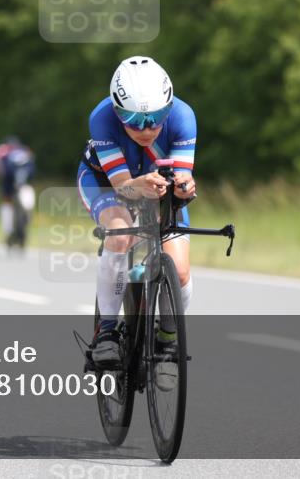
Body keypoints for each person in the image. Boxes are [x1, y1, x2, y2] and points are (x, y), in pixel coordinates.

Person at [77, 56, 197, 379]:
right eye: (133, 119)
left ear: (169, 107)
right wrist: (138, 185)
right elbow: (122, 187)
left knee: (181, 271)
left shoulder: (184, 117)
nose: (147, 129)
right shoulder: (101, 118)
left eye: (157, 118)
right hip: (106, 183)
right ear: (118, 112)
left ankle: (167, 338)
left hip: (157, 187)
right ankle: (106, 332)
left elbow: (182, 181)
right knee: (120, 231)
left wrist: (185, 188)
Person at [0, 136, 36, 246]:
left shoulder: (2, 151)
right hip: (25, 183)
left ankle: (8, 230)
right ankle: (25, 225)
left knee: (6, 202)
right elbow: (33, 168)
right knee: (27, 206)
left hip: (9, 182)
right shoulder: (26, 151)